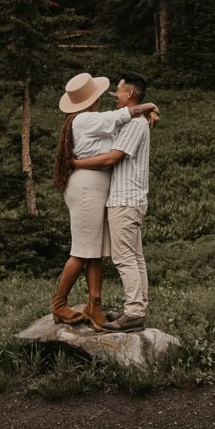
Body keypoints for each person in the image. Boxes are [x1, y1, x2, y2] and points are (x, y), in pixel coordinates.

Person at [50, 72, 158, 328]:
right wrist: (149, 106)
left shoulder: (94, 121)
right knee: (82, 250)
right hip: (87, 187)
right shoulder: (86, 119)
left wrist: (147, 114)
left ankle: (94, 306)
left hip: (99, 188)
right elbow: (121, 117)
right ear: (92, 98)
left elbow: (121, 125)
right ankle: (59, 304)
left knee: (94, 250)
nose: (108, 98)